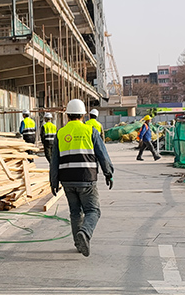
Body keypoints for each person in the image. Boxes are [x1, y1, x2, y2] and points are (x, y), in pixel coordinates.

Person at [50, 99, 114, 257]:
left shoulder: (60, 133)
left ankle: (79, 244)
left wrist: (53, 181)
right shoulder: (90, 131)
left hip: (67, 181)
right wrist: (108, 173)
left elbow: (54, 160)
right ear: (84, 114)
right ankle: (84, 234)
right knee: (93, 211)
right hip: (86, 179)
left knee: (75, 213)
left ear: (67, 116)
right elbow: (102, 154)